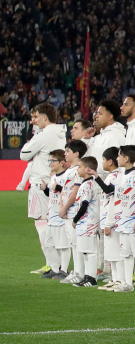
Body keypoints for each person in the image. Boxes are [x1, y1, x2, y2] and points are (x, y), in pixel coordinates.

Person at [20, 103, 67, 277]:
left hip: (41, 184)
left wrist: (32, 147)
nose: (33, 121)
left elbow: (24, 155)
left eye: (35, 117)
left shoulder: (45, 135)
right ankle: (55, 265)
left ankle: (54, 265)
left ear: (45, 118)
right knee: (51, 223)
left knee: (43, 224)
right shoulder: (59, 133)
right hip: (50, 182)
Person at [114, 145, 135, 293]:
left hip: (133, 221)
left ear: (126, 158)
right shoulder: (122, 175)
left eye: (119, 156)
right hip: (122, 220)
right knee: (125, 252)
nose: (117, 158)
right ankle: (127, 283)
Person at [58, 140, 88, 284]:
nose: (65, 154)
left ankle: (80, 272)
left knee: (77, 243)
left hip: (74, 210)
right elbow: (64, 189)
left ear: (76, 154)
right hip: (67, 210)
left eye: (68, 151)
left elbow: (75, 192)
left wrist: (64, 207)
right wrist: (62, 206)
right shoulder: (70, 170)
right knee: (73, 242)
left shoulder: (78, 170)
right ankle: (76, 271)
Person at [70, 157, 102, 288]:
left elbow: (84, 204)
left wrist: (75, 219)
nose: (78, 169)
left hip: (88, 222)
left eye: (80, 167)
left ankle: (92, 277)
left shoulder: (88, 185)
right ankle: (87, 276)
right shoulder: (86, 184)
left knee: (90, 251)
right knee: (85, 250)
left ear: (87, 169)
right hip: (85, 223)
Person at [96, 148, 124, 291]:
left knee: (116, 252)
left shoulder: (115, 177)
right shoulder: (112, 176)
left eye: (103, 160)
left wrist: (108, 222)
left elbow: (111, 196)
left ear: (110, 161)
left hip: (113, 221)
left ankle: (120, 279)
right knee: (111, 253)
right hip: (108, 219)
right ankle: (115, 278)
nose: (102, 162)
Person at [45, 149, 73, 280]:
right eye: (50, 160)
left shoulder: (67, 176)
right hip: (52, 215)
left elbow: (70, 193)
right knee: (49, 244)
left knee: (63, 245)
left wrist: (58, 187)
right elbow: (52, 195)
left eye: (53, 160)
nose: (50, 163)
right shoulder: (53, 177)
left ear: (62, 162)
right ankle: (54, 268)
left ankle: (64, 269)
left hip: (62, 215)